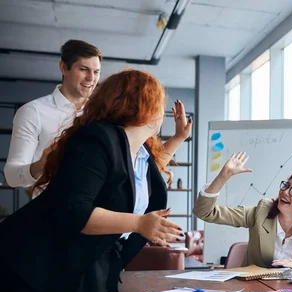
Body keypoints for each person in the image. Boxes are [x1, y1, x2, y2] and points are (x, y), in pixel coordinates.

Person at [0, 69, 183, 292]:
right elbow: (75, 212)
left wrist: (179, 138)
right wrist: (139, 224)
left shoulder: (141, 156)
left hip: (86, 275)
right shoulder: (97, 139)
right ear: (146, 106)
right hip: (40, 273)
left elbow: (135, 191)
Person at [4, 39, 191, 196]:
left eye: (96, 72)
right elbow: (12, 177)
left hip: (100, 220)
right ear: (63, 67)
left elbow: (142, 167)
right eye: (83, 69)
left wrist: (179, 137)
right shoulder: (33, 112)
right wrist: (41, 164)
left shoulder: (108, 111)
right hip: (51, 221)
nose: (91, 78)